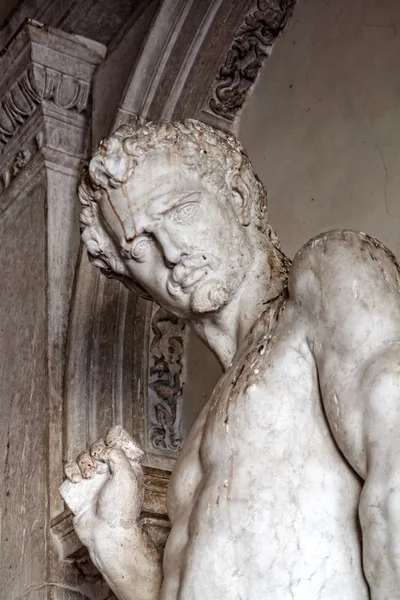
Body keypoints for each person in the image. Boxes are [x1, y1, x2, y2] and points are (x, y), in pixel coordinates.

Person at [61, 118, 400, 600]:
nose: (172, 253)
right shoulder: (203, 437)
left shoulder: (329, 276)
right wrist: (114, 540)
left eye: (179, 211)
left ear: (237, 197)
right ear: (134, 281)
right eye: (139, 247)